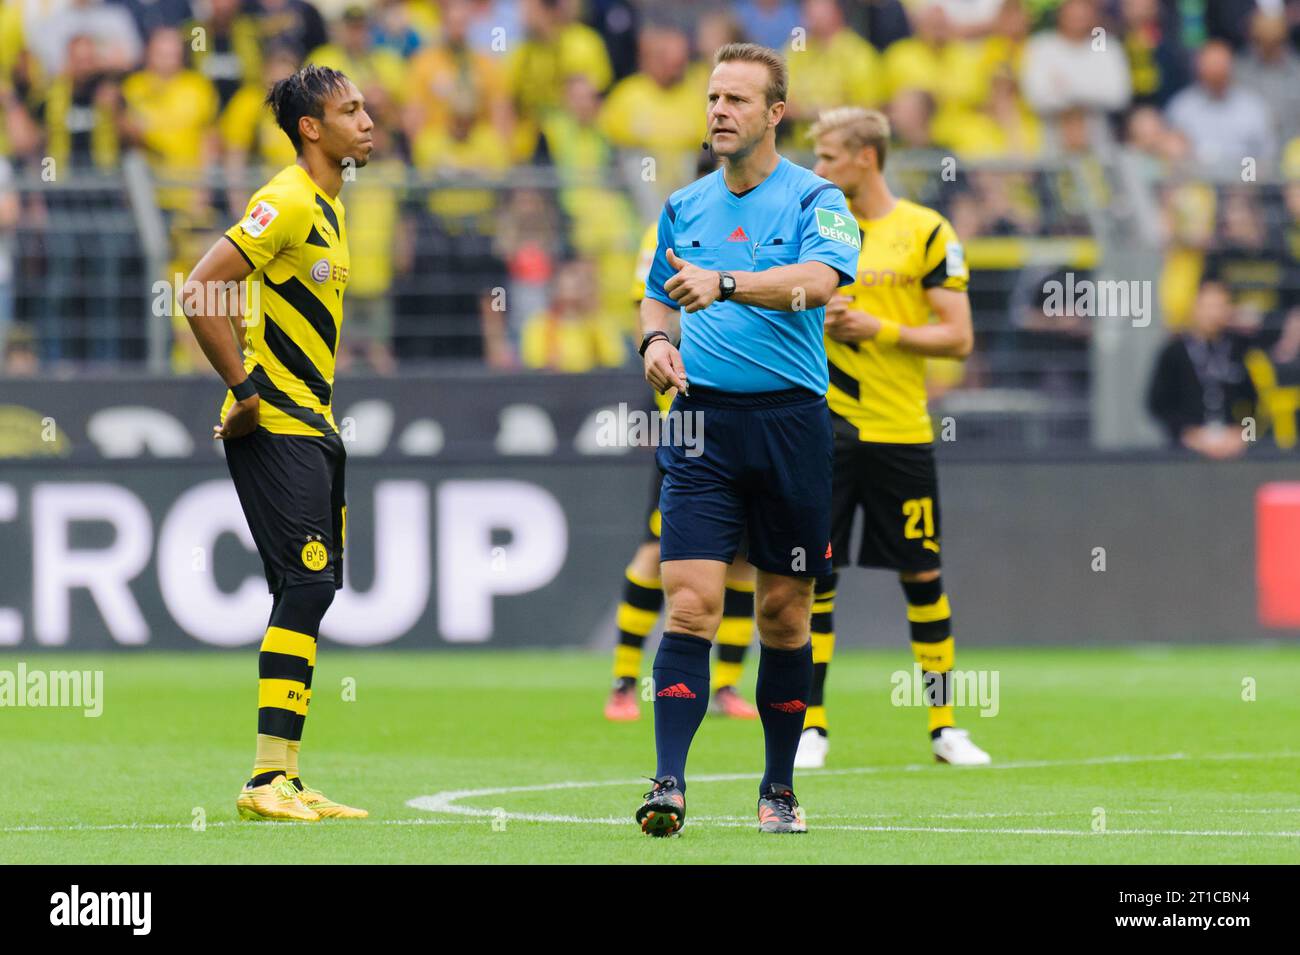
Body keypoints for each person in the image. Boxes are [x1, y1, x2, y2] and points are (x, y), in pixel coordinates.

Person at [634, 42, 859, 836]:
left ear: (775, 113)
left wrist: (727, 283)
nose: (719, 111)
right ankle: (668, 783)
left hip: (791, 424)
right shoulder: (684, 205)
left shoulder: (817, 198)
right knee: (691, 602)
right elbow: (656, 297)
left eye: (736, 100)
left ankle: (778, 786)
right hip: (702, 425)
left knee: (783, 614)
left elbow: (821, 285)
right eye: (713, 98)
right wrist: (655, 345)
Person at [182, 64, 373, 822]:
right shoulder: (287, 199)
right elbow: (200, 289)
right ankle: (264, 778)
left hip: (313, 422)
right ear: (311, 129)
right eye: (349, 110)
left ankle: (285, 775)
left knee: (311, 589)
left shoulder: (330, 205)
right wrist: (245, 390)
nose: (366, 120)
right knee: (308, 583)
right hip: (279, 421)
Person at [802, 106, 989, 770]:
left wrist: (879, 329)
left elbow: (959, 337)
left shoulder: (926, 232)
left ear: (866, 157)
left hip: (901, 431)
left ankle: (944, 727)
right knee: (813, 576)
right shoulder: (815, 230)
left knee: (923, 574)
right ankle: (811, 726)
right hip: (825, 430)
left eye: (827, 156)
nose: (817, 168)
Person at [604, 155, 760, 723]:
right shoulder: (672, 224)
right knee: (659, 549)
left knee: (743, 558)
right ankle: (624, 681)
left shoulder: (771, 224)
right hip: (690, 418)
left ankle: (727, 686)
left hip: (751, 414)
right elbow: (651, 312)